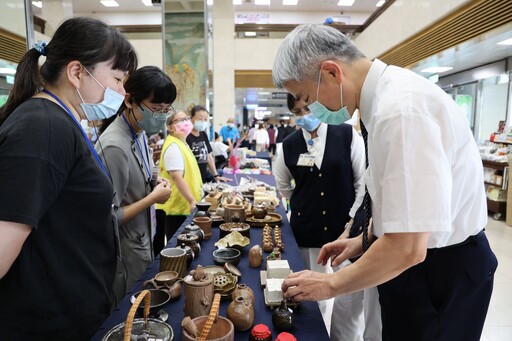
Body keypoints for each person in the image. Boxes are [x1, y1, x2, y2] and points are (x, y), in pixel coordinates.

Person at [273, 24, 498, 341]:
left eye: (307, 97)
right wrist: (364, 239)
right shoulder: (380, 104)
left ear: (332, 72)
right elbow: (401, 197)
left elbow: (408, 246)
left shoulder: (400, 111)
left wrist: (330, 285)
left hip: (440, 274)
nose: (310, 110)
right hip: (420, 265)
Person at [0, 17, 137, 340]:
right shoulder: (43, 127)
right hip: (47, 323)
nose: (121, 91)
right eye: (117, 79)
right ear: (76, 72)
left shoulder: (59, 121)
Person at [275, 94, 381, 341]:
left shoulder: (346, 135)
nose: (303, 116)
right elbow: (284, 186)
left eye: (307, 109)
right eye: (298, 112)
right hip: (307, 228)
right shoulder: (288, 145)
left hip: (346, 230)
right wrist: (304, 201)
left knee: (349, 297)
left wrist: (351, 221)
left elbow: (361, 183)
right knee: (310, 292)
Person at [95, 66, 174, 302]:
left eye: (166, 110)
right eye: (155, 109)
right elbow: (108, 217)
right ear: (129, 100)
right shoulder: (114, 146)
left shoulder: (138, 132)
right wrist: (153, 198)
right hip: (126, 252)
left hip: (143, 237)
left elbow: (140, 174)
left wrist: (154, 180)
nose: (160, 116)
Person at [156, 111, 203, 246]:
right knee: (180, 249)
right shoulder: (173, 146)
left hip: (185, 207)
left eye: (187, 118)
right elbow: (176, 178)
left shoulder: (182, 143)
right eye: (180, 120)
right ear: (171, 127)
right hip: (176, 209)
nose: (186, 122)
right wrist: (192, 200)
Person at [187, 105, 230, 183]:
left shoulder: (203, 134)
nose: (203, 122)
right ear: (191, 118)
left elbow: (209, 156)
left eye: (205, 119)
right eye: (200, 119)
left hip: (202, 177)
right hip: (190, 179)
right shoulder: (186, 136)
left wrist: (216, 176)